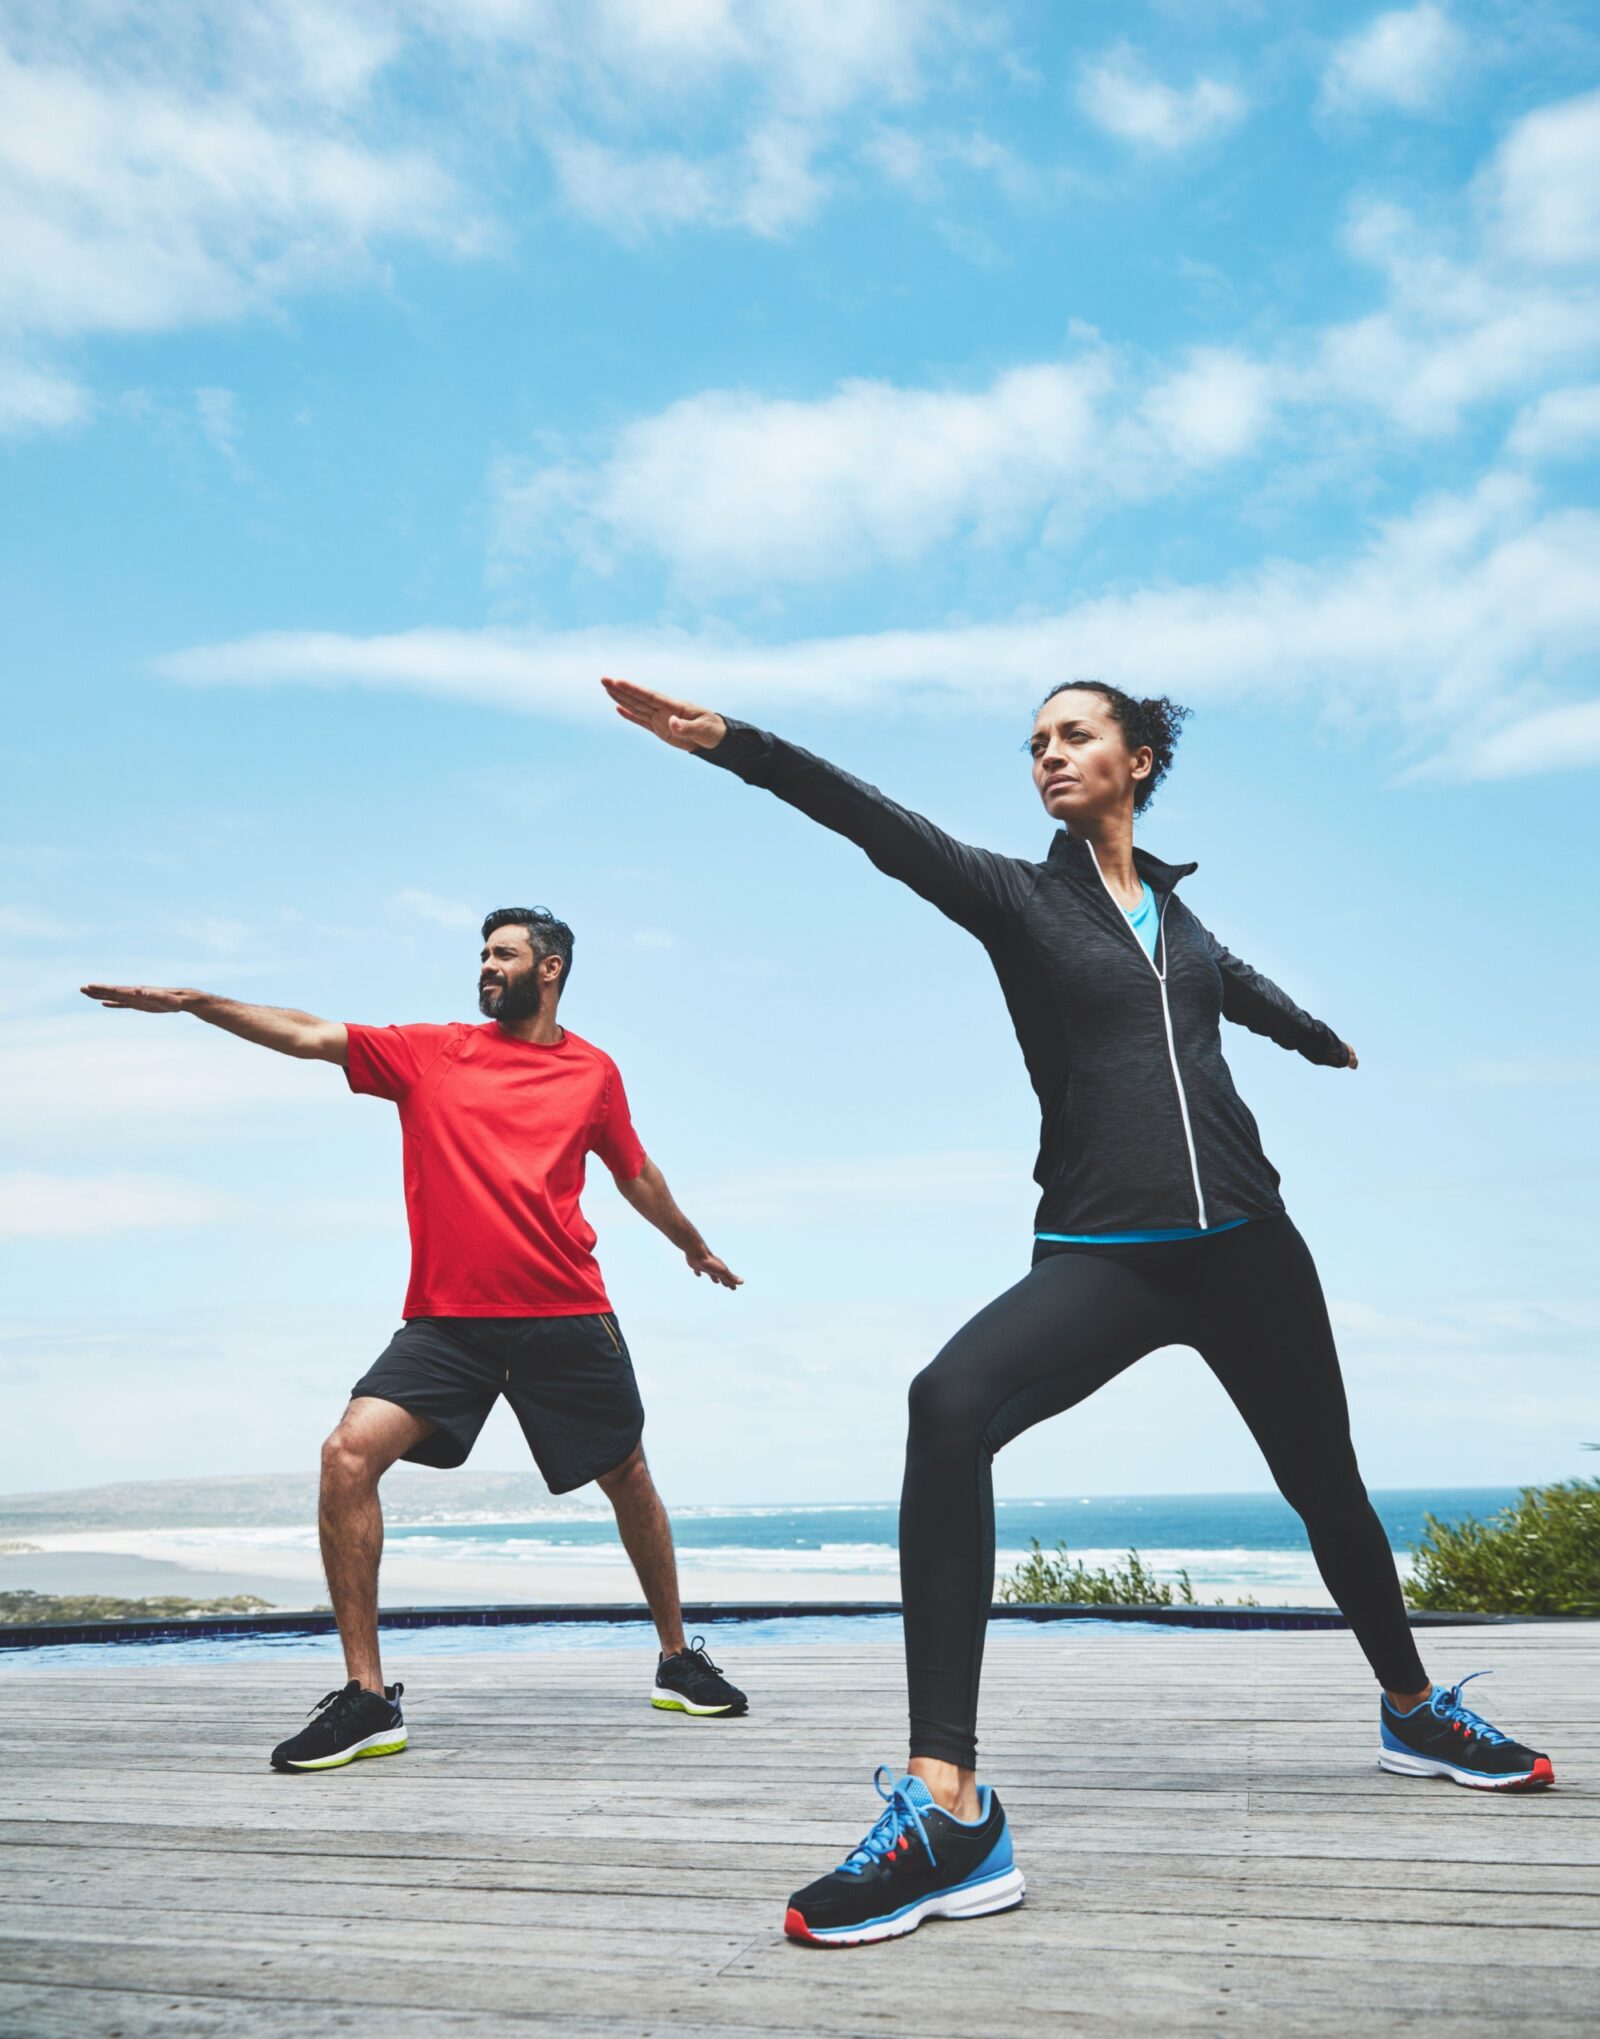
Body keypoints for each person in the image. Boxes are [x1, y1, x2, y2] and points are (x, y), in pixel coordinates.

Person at [601, 673, 1555, 1948]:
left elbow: (1233, 986)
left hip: (1253, 1246)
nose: (1048, 753)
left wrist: (1318, 1037)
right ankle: (949, 1803)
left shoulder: (1178, 912)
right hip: (1109, 1250)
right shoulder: (1017, 897)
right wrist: (737, 745)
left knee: (1327, 1484)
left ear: (1139, 760)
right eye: (1035, 741)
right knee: (945, 1402)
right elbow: (873, 821)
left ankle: (1411, 1704)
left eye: (1075, 734)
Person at [82, 905, 749, 1771]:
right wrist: (200, 1001)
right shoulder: (432, 1051)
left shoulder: (594, 1071)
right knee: (346, 1455)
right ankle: (367, 1699)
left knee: (627, 1473)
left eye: (504, 954)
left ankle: (676, 1657)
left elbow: (636, 1171)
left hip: (566, 1315)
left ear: (549, 970)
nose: (486, 965)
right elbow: (309, 1033)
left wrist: (690, 1242)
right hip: (450, 1325)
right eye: (482, 953)